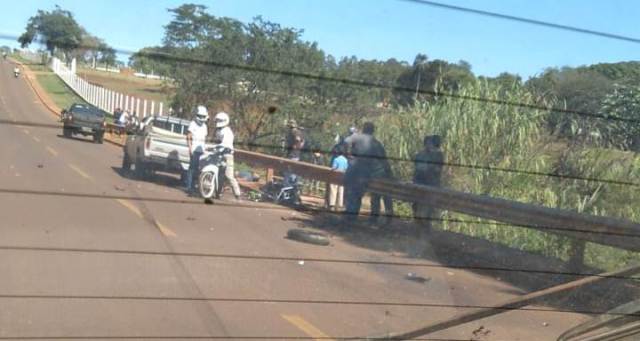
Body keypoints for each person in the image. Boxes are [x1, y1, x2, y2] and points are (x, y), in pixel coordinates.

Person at [343, 122, 392, 223]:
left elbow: (346, 141)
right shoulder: (376, 143)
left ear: (363, 129)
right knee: (358, 194)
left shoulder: (356, 137)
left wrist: (348, 154)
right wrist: (390, 174)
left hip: (352, 169)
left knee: (351, 193)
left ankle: (349, 216)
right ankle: (353, 217)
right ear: (373, 130)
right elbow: (384, 160)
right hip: (364, 172)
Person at [413, 135, 445, 233]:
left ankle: (419, 227)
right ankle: (424, 228)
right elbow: (436, 169)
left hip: (417, 185)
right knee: (427, 208)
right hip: (430, 186)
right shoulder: (438, 155)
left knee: (418, 206)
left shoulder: (419, 154)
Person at [213, 111, 242, 201]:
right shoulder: (218, 131)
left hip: (227, 155)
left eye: (219, 120)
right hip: (219, 154)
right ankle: (218, 193)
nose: (218, 122)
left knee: (229, 176)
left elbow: (225, 143)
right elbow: (217, 142)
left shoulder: (227, 131)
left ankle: (237, 194)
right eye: (217, 120)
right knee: (219, 174)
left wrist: (216, 146)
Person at [185, 105, 209, 195]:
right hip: (194, 150)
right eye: (200, 116)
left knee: (199, 169)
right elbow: (188, 136)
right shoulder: (193, 124)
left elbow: (204, 138)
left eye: (203, 116)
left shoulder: (205, 126)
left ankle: (195, 186)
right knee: (192, 169)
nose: (202, 118)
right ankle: (189, 187)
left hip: (201, 150)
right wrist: (190, 148)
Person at [328, 144, 348, 211]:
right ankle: (340, 205)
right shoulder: (346, 160)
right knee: (341, 190)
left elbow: (333, 168)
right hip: (342, 177)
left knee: (333, 189)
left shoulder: (336, 159)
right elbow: (346, 169)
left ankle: (332, 205)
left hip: (335, 177)